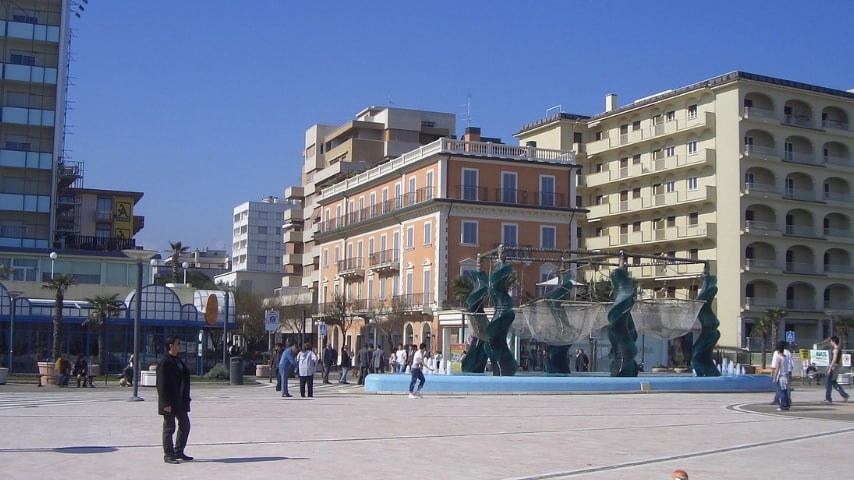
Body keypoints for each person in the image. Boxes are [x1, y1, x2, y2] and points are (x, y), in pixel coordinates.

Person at [156, 336, 192, 464]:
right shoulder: (165, 362)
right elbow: (161, 384)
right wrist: (165, 403)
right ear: (171, 345)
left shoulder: (178, 361)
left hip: (180, 401)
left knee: (185, 425)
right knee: (169, 428)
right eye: (178, 343)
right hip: (169, 402)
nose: (180, 345)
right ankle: (168, 455)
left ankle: (178, 451)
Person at [824, 336, 850, 403]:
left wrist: (830, 368)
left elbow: (834, 360)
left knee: (828, 383)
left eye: (831, 341)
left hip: (833, 367)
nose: (830, 342)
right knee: (833, 382)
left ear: (833, 341)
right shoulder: (838, 349)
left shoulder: (836, 349)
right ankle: (845, 395)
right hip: (835, 366)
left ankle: (828, 398)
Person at [771, 341, 791, 411]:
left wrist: (774, 377)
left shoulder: (779, 358)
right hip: (786, 375)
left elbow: (777, 369)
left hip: (781, 376)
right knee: (785, 391)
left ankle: (783, 406)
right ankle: (787, 404)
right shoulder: (785, 357)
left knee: (781, 391)